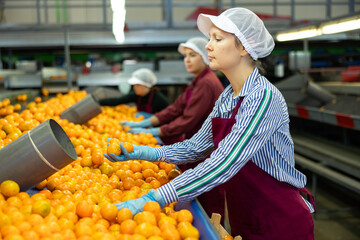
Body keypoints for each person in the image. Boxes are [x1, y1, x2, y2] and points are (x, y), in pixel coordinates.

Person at [106, 8, 315, 239]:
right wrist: (145, 152)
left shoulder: (262, 97)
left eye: (217, 39)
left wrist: (156, 197)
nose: (208, 46)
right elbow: (195, 147)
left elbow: (224, 162)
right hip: (244, 214)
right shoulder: (227, 96)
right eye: (209, 39)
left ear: (244, 47)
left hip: (279, 218)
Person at [121, 37, 224, 146]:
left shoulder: (206, 82)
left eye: (192, 55)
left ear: (205, 57)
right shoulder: (197, 81)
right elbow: (175, 108)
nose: (187, 60)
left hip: (207, 144)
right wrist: (147, 122)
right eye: (185, 56)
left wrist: (155, 131)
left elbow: (188, 119)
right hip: (197, 139)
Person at [99, 68, 169, 114]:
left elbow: (169, 116)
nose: (134, 87)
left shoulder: (159, 99)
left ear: (146, 86)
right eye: (134, 85)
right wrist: (98, 102)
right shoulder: (136, 95)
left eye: (137, 85)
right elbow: (118, 101)